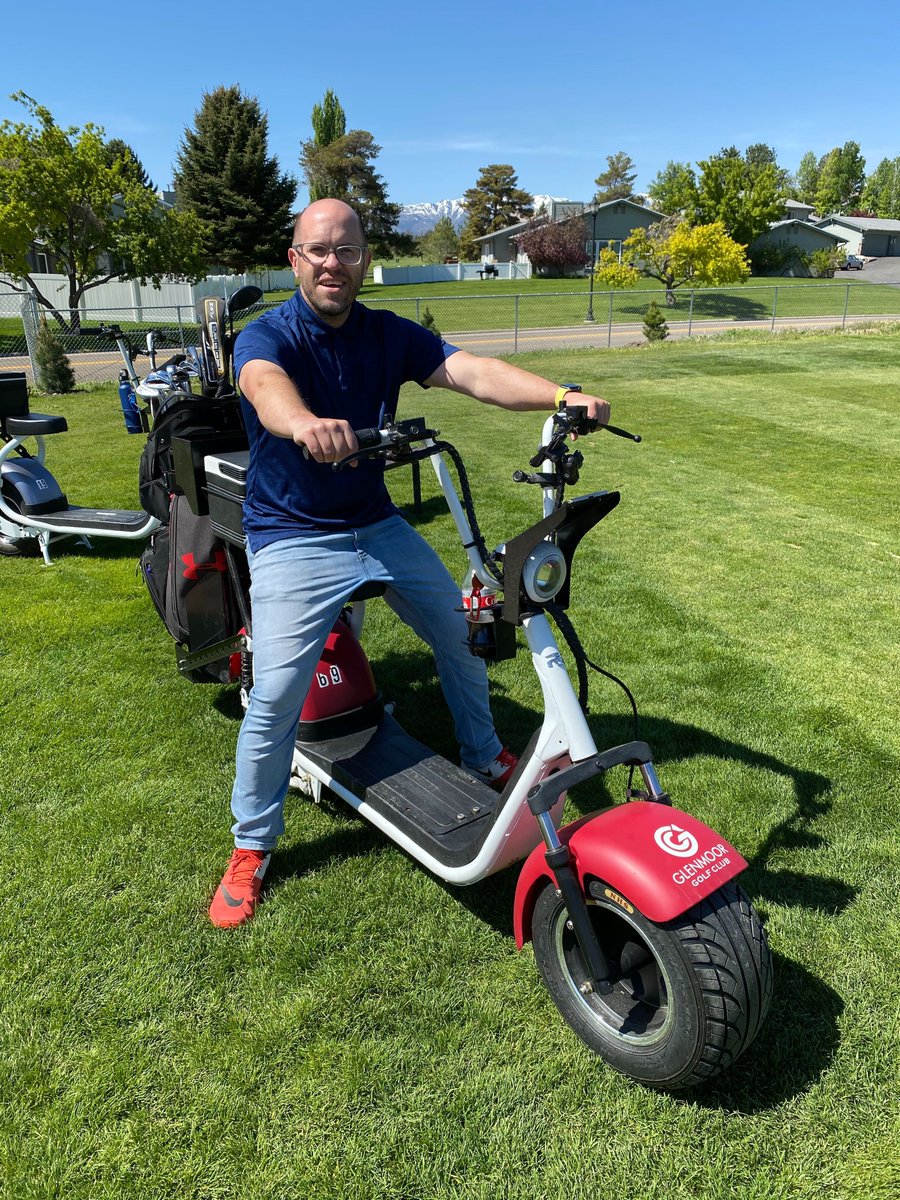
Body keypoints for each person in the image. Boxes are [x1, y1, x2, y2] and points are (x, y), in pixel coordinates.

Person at [209, 199, 610, 928]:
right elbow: (266, 388)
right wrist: (303, 424)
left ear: (366, 258)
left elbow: (471, 372)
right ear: (296, 259)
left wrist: (561, 395)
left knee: (462, 627)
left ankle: (484, 754)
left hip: (373, 522)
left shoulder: (387, 334)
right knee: (274, 697)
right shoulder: (267, 333)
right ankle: (252, 846)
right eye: (319, 251)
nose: (334, 262)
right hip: (292, 533)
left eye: (348, 250)